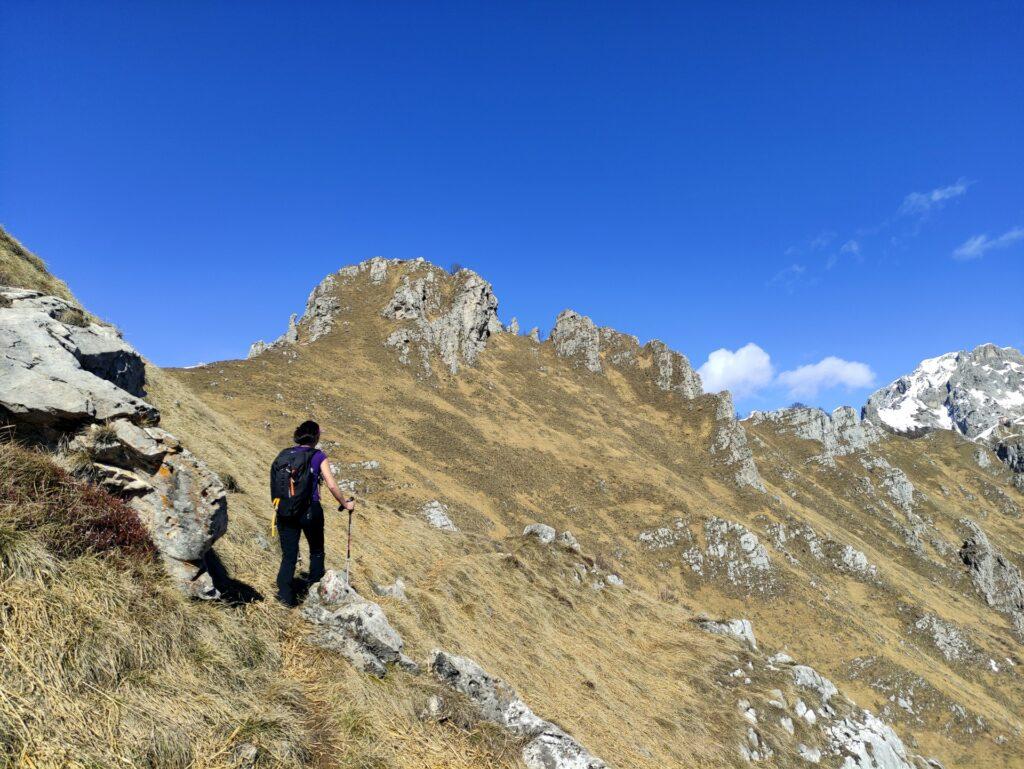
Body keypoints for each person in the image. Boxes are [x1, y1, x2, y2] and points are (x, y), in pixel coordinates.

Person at [273, 420, 355, 606]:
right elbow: (331, 485)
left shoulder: (284, 455)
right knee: (316, 551)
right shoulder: (318, 456)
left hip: (285, 511)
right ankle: (316, 593)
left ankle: (284, 597)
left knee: (289, 555)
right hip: (310, 510)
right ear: (315, 437)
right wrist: (345, 504)